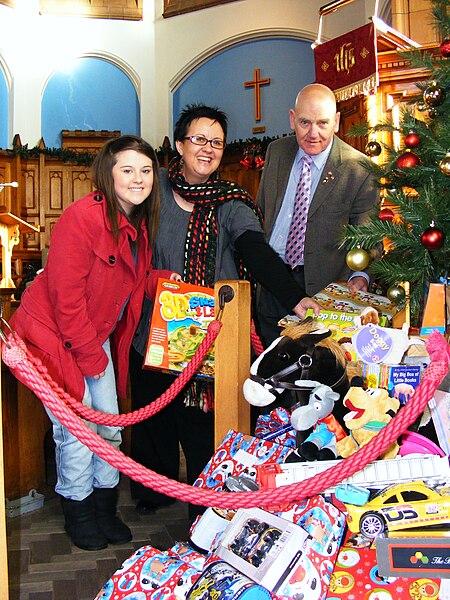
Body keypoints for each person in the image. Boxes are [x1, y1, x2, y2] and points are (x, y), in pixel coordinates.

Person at [129, 104, 319, 519]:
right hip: (153, 327)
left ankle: (208, 495)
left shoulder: (231, 200)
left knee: (203, 419)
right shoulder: (151, 188)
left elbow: (256, 250)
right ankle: (152, 491)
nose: (207, 149)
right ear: (179, 145)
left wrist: (293, 297)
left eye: (216, 142)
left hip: (211, 331)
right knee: (153, 412)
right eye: (198, 139)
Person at [8, 135, 177, 551]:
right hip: (52, 338)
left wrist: (159, 281)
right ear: (108, 173)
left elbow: (127, 276)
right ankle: (78, 509)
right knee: (77, 430)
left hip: (90, 335)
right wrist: (90, 358)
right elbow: (65, 298)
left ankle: (105, 507)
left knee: (110, 429)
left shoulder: (138, 220)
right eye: (127, 170)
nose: (138, 179)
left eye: (145, 170)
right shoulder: (82, 217)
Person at [256, 83, 379, 346]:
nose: (313, 133)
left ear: (336, 121)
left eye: (323, 123)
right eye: (305, 122)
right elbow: (261, 211)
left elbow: (370, 236)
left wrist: (361, 275)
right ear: (292, 119)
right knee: (266, 367)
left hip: (322, 291)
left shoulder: (359, 169)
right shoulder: (276, 152)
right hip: (272, 279)